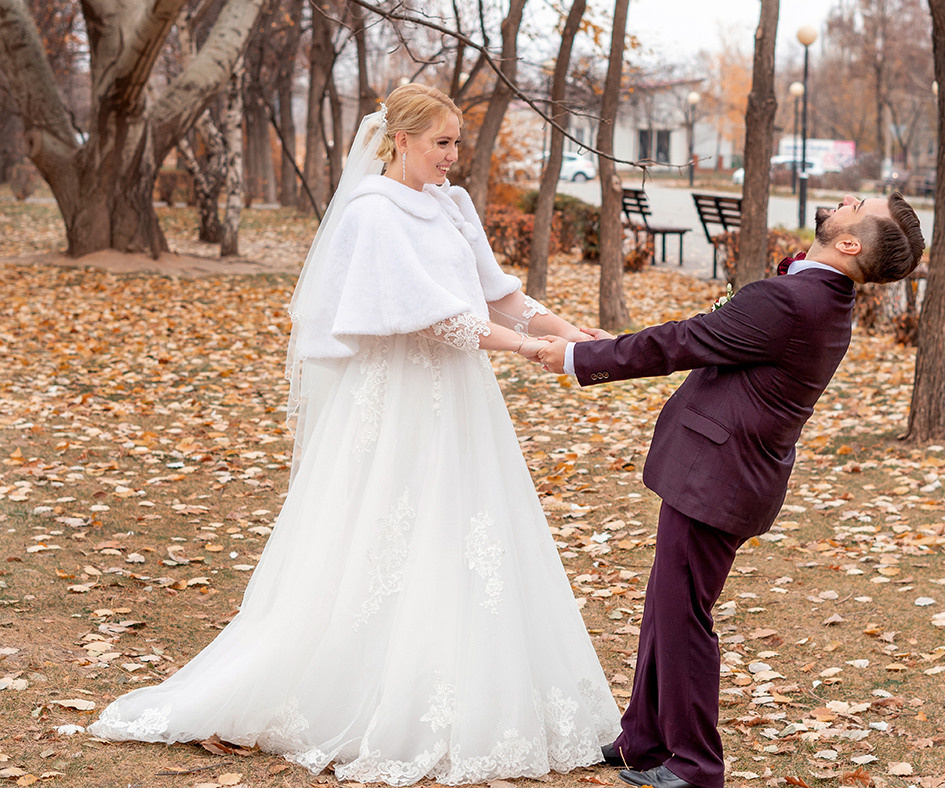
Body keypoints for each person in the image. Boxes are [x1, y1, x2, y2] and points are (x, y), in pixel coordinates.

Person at [89, 83, 620, 785]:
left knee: (468, 528)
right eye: (440, 143)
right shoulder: (374, 214)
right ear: (398, 141)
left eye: (456, 142)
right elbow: (431, 316)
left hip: (460, 398)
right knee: (384, 524)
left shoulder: (451, 205)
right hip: (400, 395)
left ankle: (470, 677)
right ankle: (357, 687)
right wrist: (525, 351)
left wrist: (562, 330)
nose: (452, 156)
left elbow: (496, 295)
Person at [536, 193, 925, 788]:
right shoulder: (819, 294)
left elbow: (681, 342)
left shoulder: (794, 300)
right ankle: (642, 738)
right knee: (669, 605)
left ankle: (694, 765)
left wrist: (575, 357)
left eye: (857, 204)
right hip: (727, 470)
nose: (846, 199)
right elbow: (715, 339)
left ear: (850, 244)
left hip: (717, 475)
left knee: (684, 614)